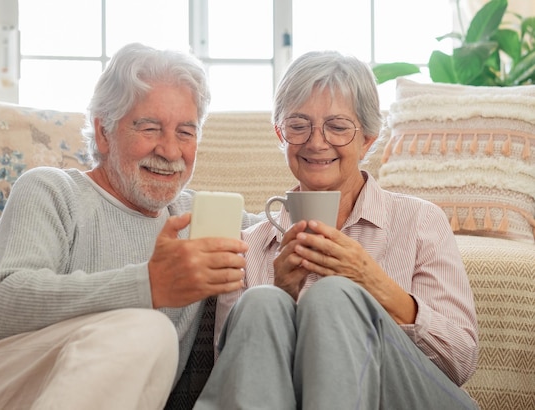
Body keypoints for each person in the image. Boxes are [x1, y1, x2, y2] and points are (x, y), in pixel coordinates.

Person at [0, 43, 262, 409]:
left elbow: (287, 229)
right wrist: (150, 284)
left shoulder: (202, 217)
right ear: (104, 131)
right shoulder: (50, 190)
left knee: (149, 336)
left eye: (186, 133)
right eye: (150, 127)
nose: (170, 151)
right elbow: (2, 306)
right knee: (147, 331)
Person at [195, 51, 479, 409]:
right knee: (263, 301)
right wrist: (283, 293)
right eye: (299, 125)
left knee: (333, 296)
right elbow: (236, 378)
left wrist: (371, 283)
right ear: (281, 135)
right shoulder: (249, 247)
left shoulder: (420, 220)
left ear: (368, 139)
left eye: (338, 126)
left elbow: (459, 360)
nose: (316, 142)